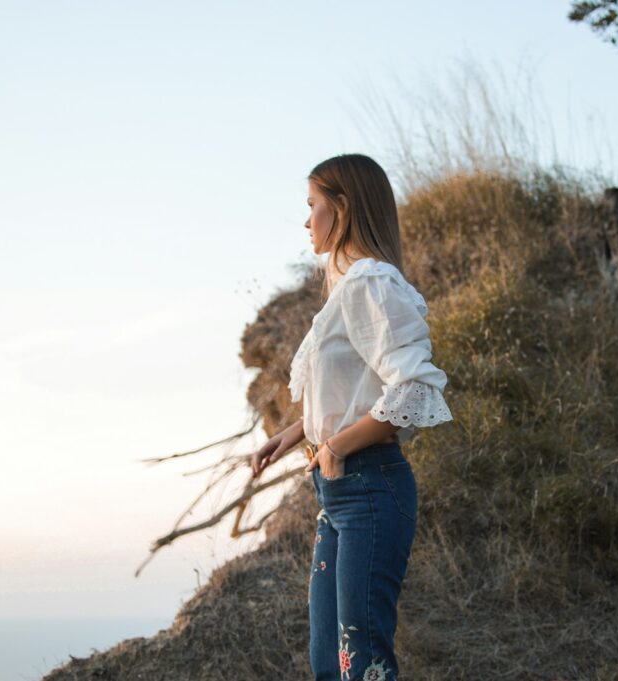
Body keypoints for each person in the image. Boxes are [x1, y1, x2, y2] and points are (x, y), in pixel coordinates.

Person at [250, 153, 453, 681]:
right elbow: (357, 390)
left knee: (361, 665)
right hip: (338, 494)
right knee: (330, 663)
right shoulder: (348, 289)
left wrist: (336, 448)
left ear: (342, 208)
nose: (306, 219)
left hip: (368, 487)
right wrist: (296, 433)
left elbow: (411, 389)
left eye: (313, 205)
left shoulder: (370, 283)